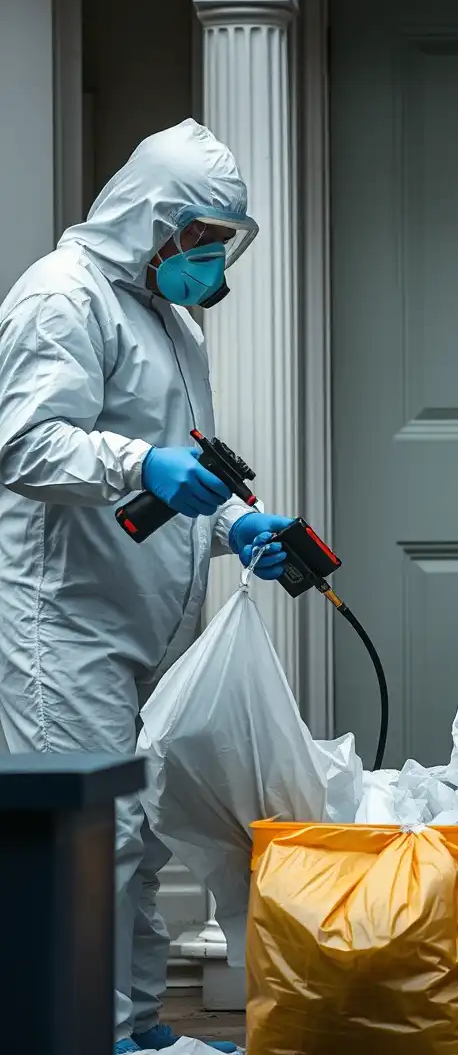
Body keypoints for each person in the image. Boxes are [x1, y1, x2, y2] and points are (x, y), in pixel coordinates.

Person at [0, 120, 293, 1053]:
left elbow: (174, 481)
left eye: (220, 245)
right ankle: (74, 1032)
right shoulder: (61, 298)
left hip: (137, 627)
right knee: (86, 842)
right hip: (67, 622)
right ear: (154, 223)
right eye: (202, 242)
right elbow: (26, 444)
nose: (212, 264)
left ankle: (132, 1026)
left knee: (137, 838)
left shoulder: (167, 320)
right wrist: (145, 464)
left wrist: (236, 524)